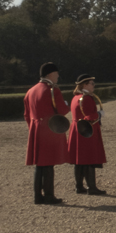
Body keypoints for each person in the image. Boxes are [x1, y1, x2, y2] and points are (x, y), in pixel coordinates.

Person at [23, 62, 68, 205]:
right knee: (48, 163)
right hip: (49, 128)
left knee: (40, 164)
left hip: (36, 128)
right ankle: (49, 196)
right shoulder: (53, 90)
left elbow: (26, 114)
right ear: (49, 74)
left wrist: (33, 128)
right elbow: (62, 110)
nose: (58, 76)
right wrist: (66, 104)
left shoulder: (30, 91)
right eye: (56, 73)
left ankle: (38, 196)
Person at [66, 73, 107, 196]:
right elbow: (89, 117)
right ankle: (92, 187)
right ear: (85, 84)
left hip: (76, 129)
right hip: (87, 130)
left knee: (79, 160)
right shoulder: (86, 98)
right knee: (89, 158)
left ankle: (79, 186)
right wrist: (99, 114)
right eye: (91, 83)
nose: (94, 85)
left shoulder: (75, 97)